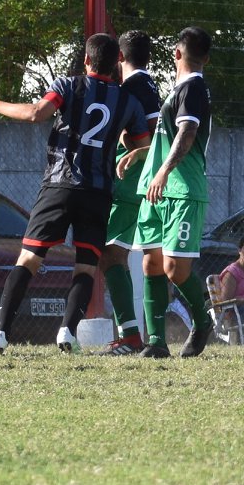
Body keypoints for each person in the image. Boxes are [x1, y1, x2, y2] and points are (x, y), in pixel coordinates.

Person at [0, 32, 151, 355]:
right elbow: (143, 145)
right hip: (98, 193)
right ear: (117, 64)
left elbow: (36, 113)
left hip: (59, 185)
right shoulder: (129, 102)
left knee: (29, 258)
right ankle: (67, 333)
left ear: (86, 60)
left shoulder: (69, 85)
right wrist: (123, 140)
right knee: (86, 267)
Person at [131, 27, 216, 358]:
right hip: (156, 188)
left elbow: (188, 132)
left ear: (177, 54)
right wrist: (142, 155)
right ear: (206, 57)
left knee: (174, 269)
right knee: (151, 263)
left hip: (181, 189)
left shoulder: (193, 87)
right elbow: (168, 137)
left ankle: (202, 321)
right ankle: (156, 342)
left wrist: (164, 171)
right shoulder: (179, 90)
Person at [100, 30, 163, 354]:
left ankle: (131, 336)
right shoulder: (150, 85)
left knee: (111, 254)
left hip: (130, 181)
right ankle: (140, 334)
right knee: (132, 257)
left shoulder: (132, 88)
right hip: (144, 181)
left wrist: (129, 143)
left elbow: (149, 137)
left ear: (120, 58)